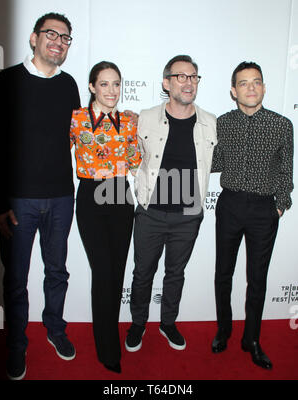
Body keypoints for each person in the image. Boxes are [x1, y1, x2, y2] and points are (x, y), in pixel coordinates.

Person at [0, 13, 81, 380]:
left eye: (65, 37)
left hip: (62, 196)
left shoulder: (70, 86)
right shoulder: (7, 81)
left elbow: (81, 137)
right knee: (15, 279)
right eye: (51, 34)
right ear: (33, 39)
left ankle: (55, 329)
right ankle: (16, 345)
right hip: (18, 201)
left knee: (57, 271)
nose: (58, 41)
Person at [125, 55, 217, 352]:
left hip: (189, 215)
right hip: (150, 212)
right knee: (142, 273)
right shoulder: (145, 118)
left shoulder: (211, 123)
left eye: (193, 76)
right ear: (166, 83)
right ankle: (138, 323)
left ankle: (168, 323)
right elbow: (130, 156)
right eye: (181, 76)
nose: (188, 82)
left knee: (175, 273)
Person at [211, 61, 294, 369]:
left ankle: (252, 339)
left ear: (263, 87)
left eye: (256, 82)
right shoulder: (222, 123)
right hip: (230, 204)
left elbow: (287, 170)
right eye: (243, 83)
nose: (250, 87)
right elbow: (214, 162)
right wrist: (192, 145)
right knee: (223, 273)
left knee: (257, 279)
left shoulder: (282, 125)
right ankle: (224, 329)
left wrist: (280, 203)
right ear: (234, 91)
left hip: (263, 209)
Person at [70, 61, 141, 373]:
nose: (111, 91)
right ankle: (108, 349)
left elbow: (135, 161)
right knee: (103, 274)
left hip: (120, 196)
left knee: (116, 272)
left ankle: (108, 338)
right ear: (92, 87)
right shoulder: (75, 119)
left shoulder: (128, 121)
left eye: (116, 84)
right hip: (91, 197)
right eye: (104, 84)